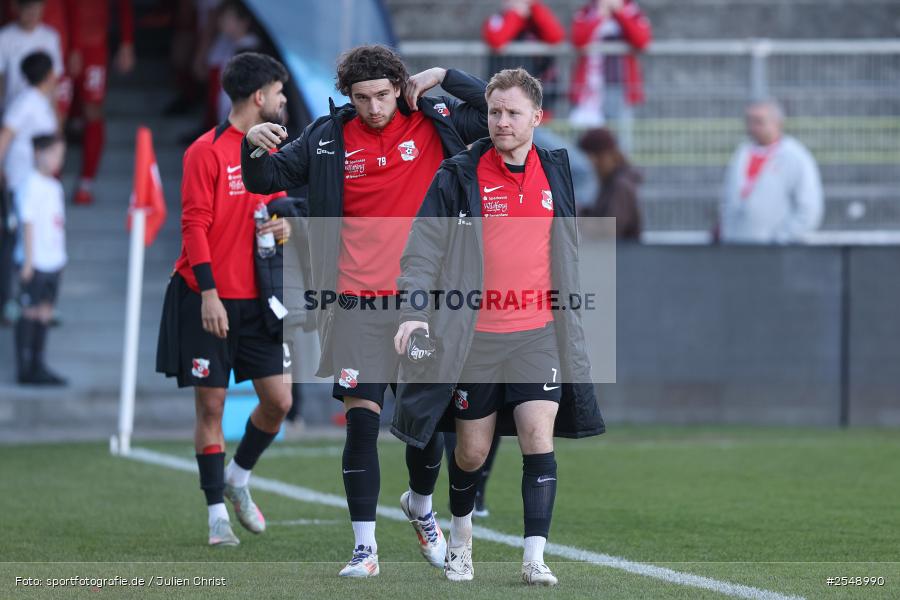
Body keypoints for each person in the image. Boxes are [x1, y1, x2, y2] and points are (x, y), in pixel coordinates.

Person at [241, 44, 489, 578]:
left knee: (425, 431)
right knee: (360, 425)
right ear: (347, 96)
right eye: (362, 97)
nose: (374, 107)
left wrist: (445, 75)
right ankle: (364, 550)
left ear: (400, 88)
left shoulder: (434, 119)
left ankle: (421, 507)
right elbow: (264, 179)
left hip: (422, 304)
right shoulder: (328, 137)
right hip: (355, 303)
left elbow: (495, 109)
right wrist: (252, 145)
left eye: (382, 94)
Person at [392, 68, 605, 585]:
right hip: (474, 338)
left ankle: (534, 558)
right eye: (493, 112)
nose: (501, 121)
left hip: (539, 333)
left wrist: (446, 75)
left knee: (538, 438)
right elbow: (422, 250)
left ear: (538, 117)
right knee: (471, 451)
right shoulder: (460, 173)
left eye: (513, 112)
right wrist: (415, 311)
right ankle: (461, 541)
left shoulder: (556, 167)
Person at [155, 52, 293, 547]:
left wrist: (287, 226)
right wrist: (209, 294)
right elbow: (193, 225)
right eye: (278, 92)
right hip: (206, 297)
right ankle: (216, 511)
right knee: (210, 408)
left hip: (258, 302)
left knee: (279, 401)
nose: (283, 101)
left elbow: (279, 209)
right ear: (259, 97)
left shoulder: (272, 149)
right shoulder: (206, 151)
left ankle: (238, 477)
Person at [0, 50, 56, 323]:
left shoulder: (40, 101)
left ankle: (33, 303)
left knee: (29, 243)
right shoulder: (25, 103)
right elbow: (4, 137)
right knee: (14, 244)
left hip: (35, 187)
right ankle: (10, 303)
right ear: (49, 75)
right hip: (20, 184)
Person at [718, 99, 823, 243]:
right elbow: (730, 200)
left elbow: (809, 209)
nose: (752, 127)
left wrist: (781, 239)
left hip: (776, 253)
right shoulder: (741, 154)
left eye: (758, 122)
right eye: (749, 121)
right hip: (738, 247)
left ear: (777, 123)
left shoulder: (795, 157)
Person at [68, 0, 135, 205]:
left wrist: (126, 42)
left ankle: (86, 183)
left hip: (94, 43)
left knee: (93, 109)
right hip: (59, 40)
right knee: (53, 113)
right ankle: (48, 179)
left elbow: (124, 6)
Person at [13, 134, 66, 384]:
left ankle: (39, 364)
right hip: (35, 261)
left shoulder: (55, 186)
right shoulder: (30, 184)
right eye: (53, 153)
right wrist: (28, 261)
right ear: (38, 153)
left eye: (61, 155)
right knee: (29, 311)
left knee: (45, 311)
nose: (57, 160)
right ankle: (25, 368)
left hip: (54, 260)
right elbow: (28, 223)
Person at [569, 0, 652, 152]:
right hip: (589, 90)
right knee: (583, 144)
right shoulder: (587, 12)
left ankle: (618, 175)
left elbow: (642, 40)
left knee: (619, 143)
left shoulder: (631, 11)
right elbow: (578, 40)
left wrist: (619, 12)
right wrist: (600, 16)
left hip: (619, 88)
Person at [482, 0, 564, 115]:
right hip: (505, 91)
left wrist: (534, 8)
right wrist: (515, 15)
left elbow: (555, 37)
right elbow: (496, 40)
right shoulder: (498, 19)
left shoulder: (537, 17)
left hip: (539, 90)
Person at [577, 127, 641, 239]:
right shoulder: (611, 183)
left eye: (597, 158)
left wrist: (577, 219)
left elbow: (609, 231)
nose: (594, 165)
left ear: (610, 154)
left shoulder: (621, 186)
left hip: (622, 255)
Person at [0, 0, 63, 111]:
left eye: (36, 9)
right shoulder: (4, 37)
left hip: (42, 111)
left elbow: (54, 79)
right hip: (13, 109)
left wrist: (55, 113)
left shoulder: (51, 37)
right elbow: (1, 77)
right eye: (27, 10)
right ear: (17, 8)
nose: (32, 15)